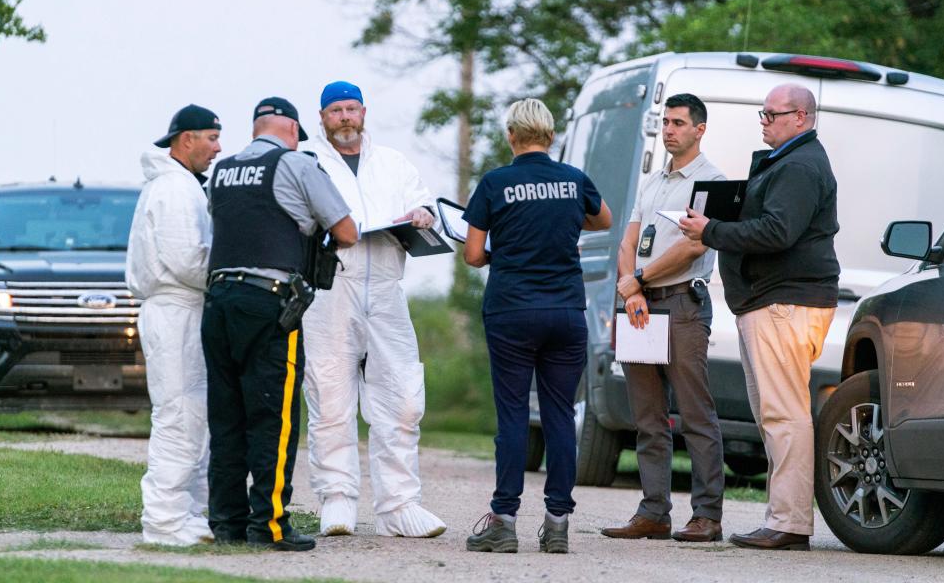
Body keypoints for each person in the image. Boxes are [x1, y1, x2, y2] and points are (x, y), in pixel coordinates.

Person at [680, 84, 839, 551]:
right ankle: (783, 517)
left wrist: (711, 229)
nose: (764, 120)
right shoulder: (789, 162)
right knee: (775, 413)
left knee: (784, 415)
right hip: (770, 302)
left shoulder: (801, 165)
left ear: (802, 118)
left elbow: (778, 230)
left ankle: (789, 523)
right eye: (762, 113)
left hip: (785, 304)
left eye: (773, 114)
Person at [201, 96, 358, 551]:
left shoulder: (223, 170)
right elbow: (346, 231)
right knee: (275, 415)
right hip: (269, 304)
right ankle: (268, 526)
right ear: (290, 129)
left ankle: (226, 523)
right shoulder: (295, 164)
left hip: (218, 302)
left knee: (227, 416)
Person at [463, 98, 612, 554]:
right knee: (560, 416)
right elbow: (602, 219)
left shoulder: (495, 183)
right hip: (566, 311)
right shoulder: (573, 179)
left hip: (511, 310)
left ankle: (504, 520)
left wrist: (501, 253)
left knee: (512, 416)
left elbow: (472, 254)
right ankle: (558, 523)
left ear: (512, 135)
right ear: (551, 136)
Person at [301, 81, 446, 538]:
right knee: (329, 394)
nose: (344, 117)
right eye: (335, 111)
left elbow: (424, 205)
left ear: (364, 112)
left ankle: (399, 505)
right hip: (330, 286)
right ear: (322, 117)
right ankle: (337, 499)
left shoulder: (392, 163)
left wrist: (422, 214)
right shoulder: (308, 162)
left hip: (385, 286)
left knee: (402, 394)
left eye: (351, 109)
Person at [601, 93, 726, 543]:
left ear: (699, 129)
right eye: (665, 123)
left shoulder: (711, 181)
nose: (669, 130)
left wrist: (638, 279)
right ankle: (653, 511)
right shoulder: (652, 182)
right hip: (641, 306)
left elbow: (695, 246)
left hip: (682, 306)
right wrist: (633, 289)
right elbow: (627, 241)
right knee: (647, 416)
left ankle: (707, 516)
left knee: (695, 415)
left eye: (678, 123)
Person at [126, 104, 222, 546]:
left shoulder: (181, 186)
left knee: (191, 413)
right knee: (179, 414)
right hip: (176, 308)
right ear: (187, 139)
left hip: (182, 309)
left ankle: (187, 514)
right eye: (211, 138)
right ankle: (163, 520)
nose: (218, 148)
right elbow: (188, 261)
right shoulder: (175, 190)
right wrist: (229, 274)